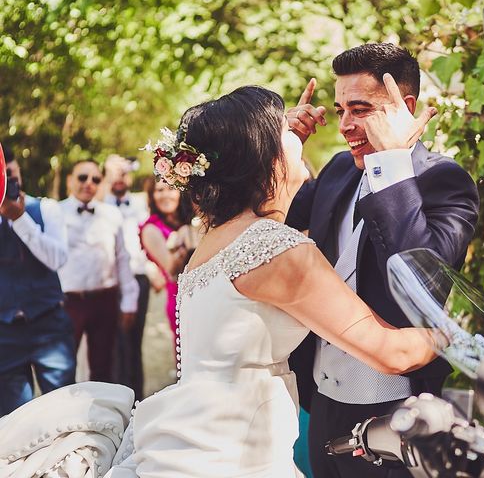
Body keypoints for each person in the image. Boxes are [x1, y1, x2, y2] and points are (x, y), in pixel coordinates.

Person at [0, 85, 447, 477]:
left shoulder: (214, 240)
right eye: (285, 135)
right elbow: (393, 352)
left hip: (196, 444)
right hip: (239, 457)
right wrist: (458, 335)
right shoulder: (278, 251)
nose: (297, 141)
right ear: (266, 157)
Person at [284, 43, 480, 477]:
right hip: (321, 402)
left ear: (403, 108)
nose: (345, 126)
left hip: (396, 416)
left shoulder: (445, 181)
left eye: (360, 109)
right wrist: (284, 148)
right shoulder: (337, 169)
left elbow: (420, 282)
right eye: (339, 111)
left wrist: (392, 163)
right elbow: (270, 222)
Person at [0, 148, 76, 415]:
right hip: (5, 332)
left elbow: (57, 259)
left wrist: (20, 219)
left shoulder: (46, 208)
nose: (6, 179)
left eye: (10, 173)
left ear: (18, 171)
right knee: (13, 418)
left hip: (49, 323)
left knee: (63, 408)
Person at [58, 160, 139, 383]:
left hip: (105, 299)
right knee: (63, 367)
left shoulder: (112, 215)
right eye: (82, 177)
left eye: (95, 179)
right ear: (70, 181)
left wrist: (129, 300)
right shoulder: (55, 213)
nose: (88, 183)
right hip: (68, 302)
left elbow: (122, 258)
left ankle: (98, 416)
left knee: (103, 369)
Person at [103, 154, 151, 400]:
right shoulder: (100, 204)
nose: (120, 177)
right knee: (112, 344)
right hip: (111, 282)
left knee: (134, 342)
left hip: (139, 278)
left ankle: (137, 400)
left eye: (123, 172)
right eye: (114, 172)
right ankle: (114, 399)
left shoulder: (142, 204)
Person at [139, 178, 195, 337]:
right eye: (159, 190)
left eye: (170, 188)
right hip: (180, 299)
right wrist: (183, 242)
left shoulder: (192, 222)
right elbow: (171, 268)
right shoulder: (151, 229)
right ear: (152, 196)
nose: (165, 195)